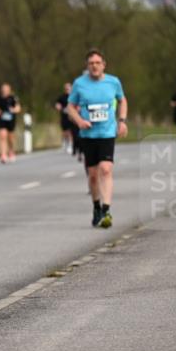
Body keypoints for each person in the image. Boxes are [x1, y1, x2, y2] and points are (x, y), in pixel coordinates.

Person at [66, 49, 128, 228]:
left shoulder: (113, 82)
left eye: (97, 63)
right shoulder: (79, 84)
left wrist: (122, 121)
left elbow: (122, 100)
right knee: (93, 175)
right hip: (88, 135)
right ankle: (96, 207)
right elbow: (70, 107)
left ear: (103, 65)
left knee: (106, 169)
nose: (94, 66)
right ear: (87, 66)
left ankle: (107, 209)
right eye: (91, 63)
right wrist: (79, 121)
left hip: (107, 133)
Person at [0, 83, 21, 163]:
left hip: (11, 120)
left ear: (9, 90)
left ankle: (11, 151)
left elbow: (18, 108)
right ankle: (3, 155)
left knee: (10, 138)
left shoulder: (13, 98)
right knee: (3, 136)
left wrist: (13, 110)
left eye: (6, 89)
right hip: (2, 120)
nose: (4, 91)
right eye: (3, 89)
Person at [54, 82, 74, 154]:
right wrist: (58, 106)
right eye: (66, 88)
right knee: (65, 131)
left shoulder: (74, 96)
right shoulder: (62, 97)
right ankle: (65, 143)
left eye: (68, 88)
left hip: (72, 117)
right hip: (64, 116)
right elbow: (57, 104)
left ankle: (70, 145)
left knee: (70, 131)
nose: (67, 89)